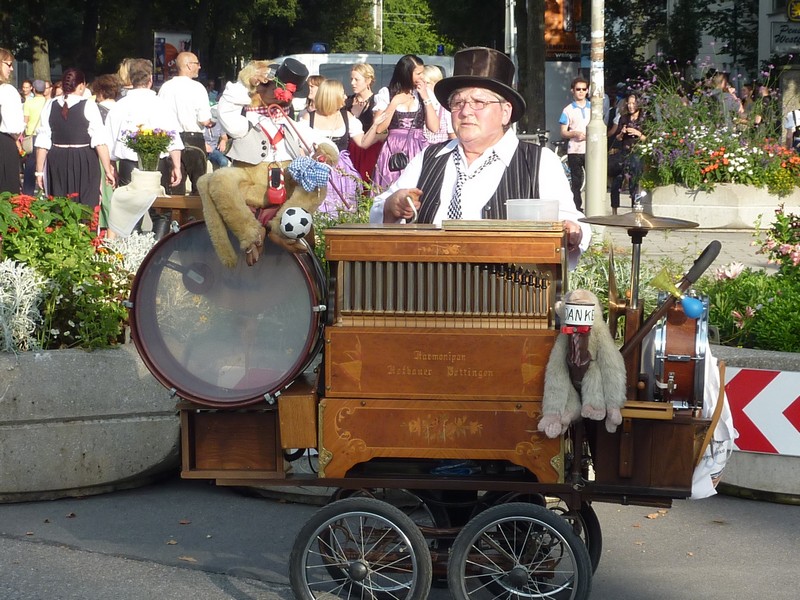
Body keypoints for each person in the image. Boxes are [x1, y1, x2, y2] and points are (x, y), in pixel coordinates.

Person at [370, 47, 590, 270]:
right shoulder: (428, 157)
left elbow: (573, 225)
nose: (465, 111)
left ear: (505, 112)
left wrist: (573, 232)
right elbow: (379, 210)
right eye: (458, 103)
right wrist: (391, 205)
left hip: (510, 297)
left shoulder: (540, 162)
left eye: (479, 102)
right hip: (430, 294)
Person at [34, 67, 116, 208]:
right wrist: (108, 170)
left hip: (57, 159)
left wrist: (39, 172)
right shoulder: (88, 105)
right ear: (81, 86)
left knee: (59, 205)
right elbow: (99, 142)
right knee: (85, 205)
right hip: (84, 159)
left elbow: (43, 142)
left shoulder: (50, 105)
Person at [106, 58, 183, 187]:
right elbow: (173, 139)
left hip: (128, 167)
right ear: (150, 80)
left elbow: (110, 140)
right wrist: (177, 167)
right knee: (157, 205)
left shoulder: (119, 106)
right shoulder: (162, 105)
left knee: (130, 206)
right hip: (158, 165)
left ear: (131, 79)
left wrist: (111, 167)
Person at [371, 54, 441, 189]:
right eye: (418, 73)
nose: (422, 77)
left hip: (418, 146)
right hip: (394, 148)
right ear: (406, 73)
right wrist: (394, 103)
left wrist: (426, 97)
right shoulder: (386, 93)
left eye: (422, 73)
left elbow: (434, 127)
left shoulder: (423, 94)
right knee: (391, 187)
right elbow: (379, 128)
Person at [302, 78, 369, 214]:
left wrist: (377, 127)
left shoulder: (347, 116)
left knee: (344, 207)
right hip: (318, 170)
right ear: (332, 97)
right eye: (342, 93)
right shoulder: (308, 118)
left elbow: (363, 142)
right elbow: (301, 149)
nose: (345, 96)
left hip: (342, 171)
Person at [157, 51, 213, 195]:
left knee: (174, 185)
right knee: (199, 188)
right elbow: (204, 119)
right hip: (194, 139)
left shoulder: (165, 88)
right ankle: (195, 217)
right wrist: (213, 122)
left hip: (170, 139)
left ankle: (175, 217)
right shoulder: (198, 88)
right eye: (197, 64)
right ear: (188, 65)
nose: (199, 67)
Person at [607, 93, 646, 214]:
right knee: (617, 180)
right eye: (629, 103)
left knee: (635, 182)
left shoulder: (644, 119)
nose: (630, 106)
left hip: (637, 153)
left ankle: (635, 208)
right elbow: (618, 138)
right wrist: (622, 133)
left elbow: (647, 138)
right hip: (624, 152)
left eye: (633, 103)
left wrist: (637, 133)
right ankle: (614, 209)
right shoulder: (623, 118)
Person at [344, 62, 382, 181]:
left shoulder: (377, 102)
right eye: (351, 79)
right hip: (349, 150)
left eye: (356, 79)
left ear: (368, 80)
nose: (352, 83)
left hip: (370, 150)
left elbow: (383, 131)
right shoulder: (346, 102)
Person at [559, 76, 590, 211]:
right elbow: (563, 132)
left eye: (584, 89)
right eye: (578, 89)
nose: (581, 92)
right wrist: (575, 133)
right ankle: (577, 208)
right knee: (576, 182)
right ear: (573, 91)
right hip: (575, 150)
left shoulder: (593, 108)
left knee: (593, 180)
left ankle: (593, 207)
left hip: (590, 149)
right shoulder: (568, 110)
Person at [0, 48, 24, 193]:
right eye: (8, 64)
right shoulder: (7, 90)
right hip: (3, 144)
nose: (12, 68)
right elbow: (14, 127)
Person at [21, 80, 49, 195]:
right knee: (45, 163)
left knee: (30, 165)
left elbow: (25, 121)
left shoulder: (29, 102)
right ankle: (45, 189)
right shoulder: (48, 102)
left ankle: (28, 193)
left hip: (32, 135)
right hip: (46, 135)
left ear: (33, 89)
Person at [421, 64, 454, 144]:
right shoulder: (417, 104)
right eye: (423, 83)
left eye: (427, 83)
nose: (424, 87)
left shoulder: (444, 105)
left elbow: (452, 135)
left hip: (439, 150)